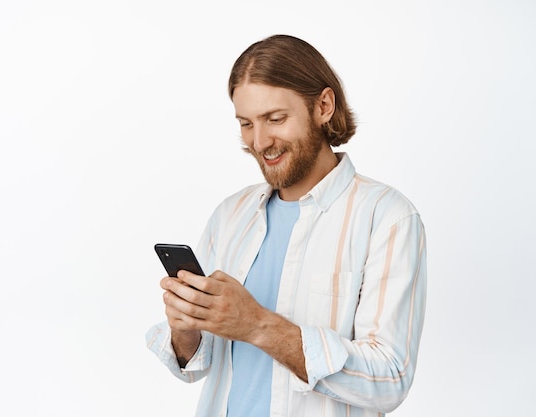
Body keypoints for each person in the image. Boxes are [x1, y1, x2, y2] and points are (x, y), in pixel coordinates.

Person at [146, 34, 427, 417]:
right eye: (246, 123)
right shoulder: (231, 215)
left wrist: (259, 326)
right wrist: (186, 327)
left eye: (275, 119)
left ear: (323, 106)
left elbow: (389, 379)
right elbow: (195, 365)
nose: (260, 142)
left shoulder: (387, 217)